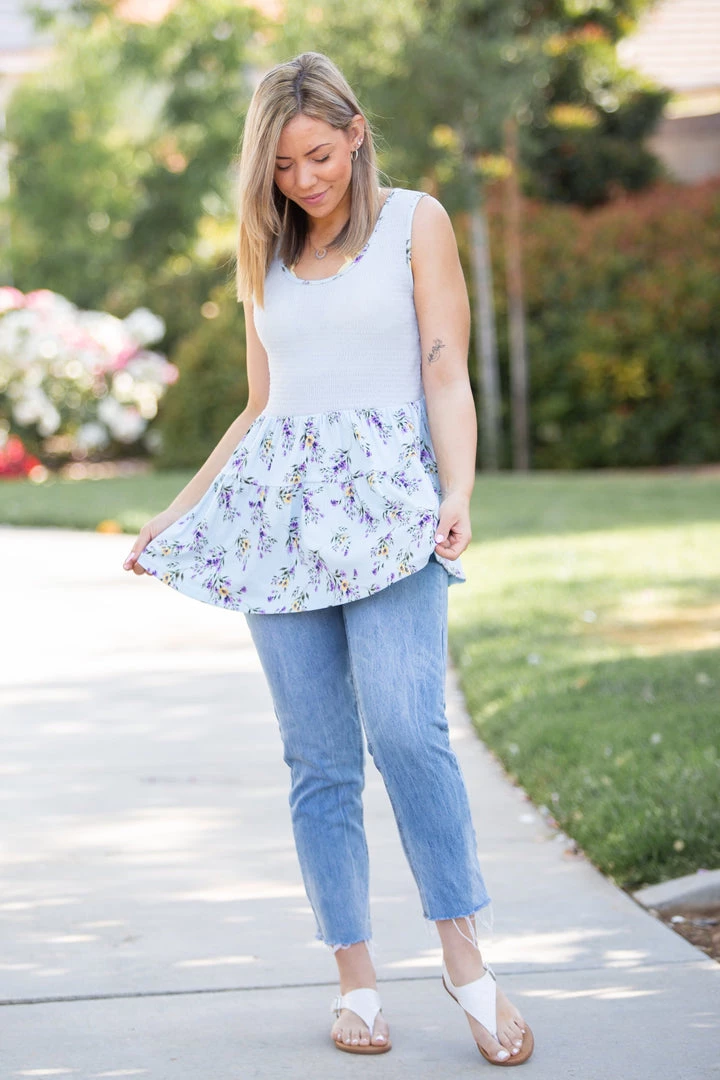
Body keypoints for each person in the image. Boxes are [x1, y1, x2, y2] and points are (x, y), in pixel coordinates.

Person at [123, 51, 533, 1065]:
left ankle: (465, 961)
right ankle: (357, 982)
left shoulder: (415, 223)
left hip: (391, 514)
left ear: (355, 133)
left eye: (318, 155)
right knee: (318, 760)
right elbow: (260, 408)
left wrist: (458, 489)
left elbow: (444, 370)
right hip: (279, 530)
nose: (303, 179)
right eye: (280, 165)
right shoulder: (262, 254)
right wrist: (178, 513)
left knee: (408, 732)